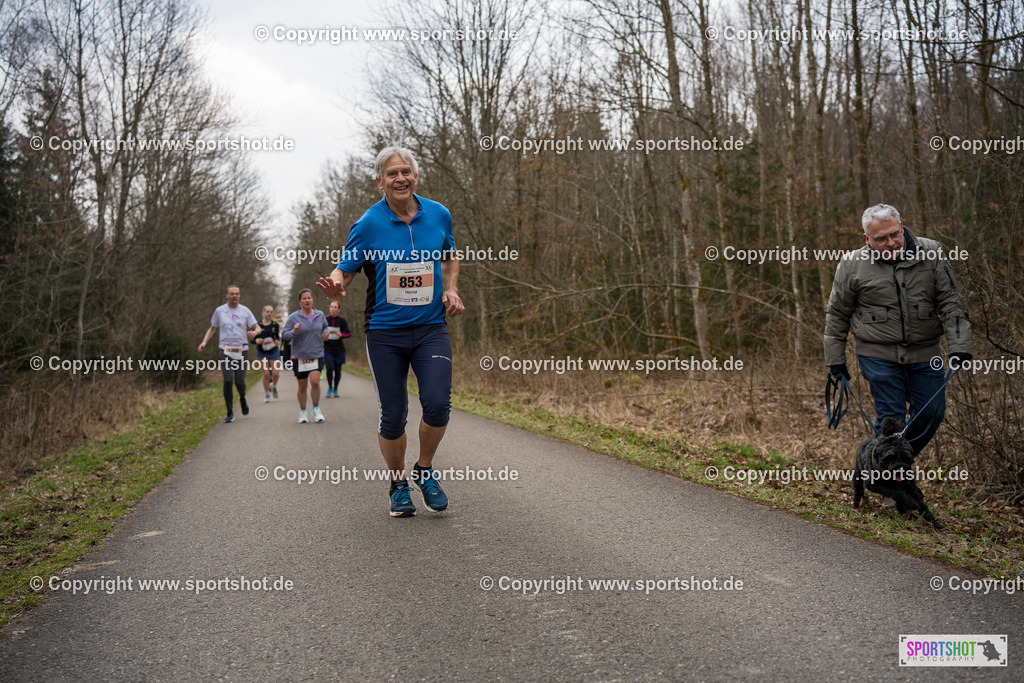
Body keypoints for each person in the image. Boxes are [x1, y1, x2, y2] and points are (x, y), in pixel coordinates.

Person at [317, 145, 465, 517]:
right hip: (385, 332)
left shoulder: (439, 214)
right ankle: (398, 484)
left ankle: (424, 470)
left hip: (431, 327)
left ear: (415, 176)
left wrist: (451, 289)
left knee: (436, 402)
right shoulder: (368, 223)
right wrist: (337, 284)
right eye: (392, 173)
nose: (400, 178)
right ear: (380, 181)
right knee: (394, 413)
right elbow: (345, 268)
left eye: (406, 172)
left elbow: (449, 254)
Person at [824, 204, 973, 457]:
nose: (891, 243)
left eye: (895, 234)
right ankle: (891, 485)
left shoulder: (932, 252)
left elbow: (951, 301)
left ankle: (885, 463)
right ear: (867, 239)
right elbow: (837, 314)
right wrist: (835, 361)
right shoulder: (851, 265)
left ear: (902, 227)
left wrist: (960, 346)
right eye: (881, 239)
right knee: (891, 421)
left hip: (926, 353)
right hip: (877, 353)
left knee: (932, 413)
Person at [199, 285, 261, 423]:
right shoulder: (220, 311)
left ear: (239, 295)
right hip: (225, 349)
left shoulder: (245, 310)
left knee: (239, 381)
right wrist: (204, 342)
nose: (235, 296)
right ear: (227, 295)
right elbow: (212, 328)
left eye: (237, 294)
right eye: (232, 294)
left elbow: (257, 327)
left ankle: (243, 398)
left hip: (241, 349)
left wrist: (255, 332)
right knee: (227, 380)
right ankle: (229, 411)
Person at [281, 288, 329, 424]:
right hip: (300, 356)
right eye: (304, 298)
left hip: (317, 354)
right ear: (299, 301)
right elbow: (284, 335)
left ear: (312, 299)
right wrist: (294, 331)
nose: (307, 300)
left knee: (315, 381)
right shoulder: (293, 317)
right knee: (302, 386)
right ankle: (303, 411)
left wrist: (326, 333)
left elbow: (325, 327)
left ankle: (316, 409)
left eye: (309, 298)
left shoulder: (320, 315)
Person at [323, 300, 352, 398]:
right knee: (330, 368)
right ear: (329, 308)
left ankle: (335, 388)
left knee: (338, 370)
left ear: (339, 310)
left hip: (339, 349)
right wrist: (323, 336)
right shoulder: (325, 319)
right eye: (331, 307)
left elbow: (349, 333)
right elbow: (318, 332)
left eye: (335, 307)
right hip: (328, 349)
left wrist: (342, 335)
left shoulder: (342, 320)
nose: (333, 309)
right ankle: (329, 387)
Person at [255, 305, 282, 402]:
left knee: (276, 373)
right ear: (263, 313)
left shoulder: (275, 325)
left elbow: (278, 337)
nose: (269, 313)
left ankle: (274, 386)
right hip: (262, 352)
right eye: (267, 312)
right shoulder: (258, 325)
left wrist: (277, 341)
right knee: (266, 374)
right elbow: (253, 339)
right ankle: (267, 393)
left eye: (271, 312)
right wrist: (257, 340)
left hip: (273, 351)